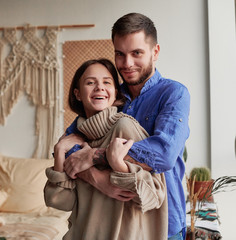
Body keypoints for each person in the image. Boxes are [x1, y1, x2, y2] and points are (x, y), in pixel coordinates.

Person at [62, 13, 190, 240]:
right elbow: (68, 145)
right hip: (119, 223)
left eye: (136, 53)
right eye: (120, 54)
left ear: (155, 52)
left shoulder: (173, 94)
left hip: (164, 224)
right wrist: (95, 177)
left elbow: (163, 155)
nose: (127, 63)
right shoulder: (109, 95)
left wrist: (94, 156)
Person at [44, 58, 168, 240]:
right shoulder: (72, 141)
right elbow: (60, 201)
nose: (99, 87)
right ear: (78, 94)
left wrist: (118, 164)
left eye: (106, 82)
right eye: (90, 82)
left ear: (115, 93)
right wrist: (60, 150)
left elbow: (155, 195)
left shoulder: (124, 127)